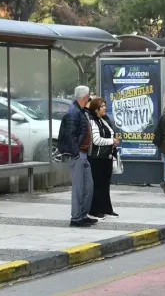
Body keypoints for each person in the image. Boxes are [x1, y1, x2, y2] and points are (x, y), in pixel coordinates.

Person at [57, 85, 96, 227]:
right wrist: (75, 154)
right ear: (85, 97)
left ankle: (83, 214)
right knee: (78, 187)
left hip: (84, 153)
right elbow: (70, 135)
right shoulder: (73, 112)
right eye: (89, 96)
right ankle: (76, 218)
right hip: (78, 154)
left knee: (89, 186)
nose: (89, 98)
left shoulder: (81, 111)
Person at [86, 97, 120, 219]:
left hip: (107, 157)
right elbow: (96, 140)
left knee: (106, 184)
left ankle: (107, 209)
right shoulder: (92, 121)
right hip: (97, 158)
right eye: (102, 106)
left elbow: (110, 133)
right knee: (98, 185)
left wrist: (114, 141)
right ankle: (95, 210)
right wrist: (112, 141)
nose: (104, 108)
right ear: (95, 109)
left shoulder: (105, 120)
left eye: (105, 106)